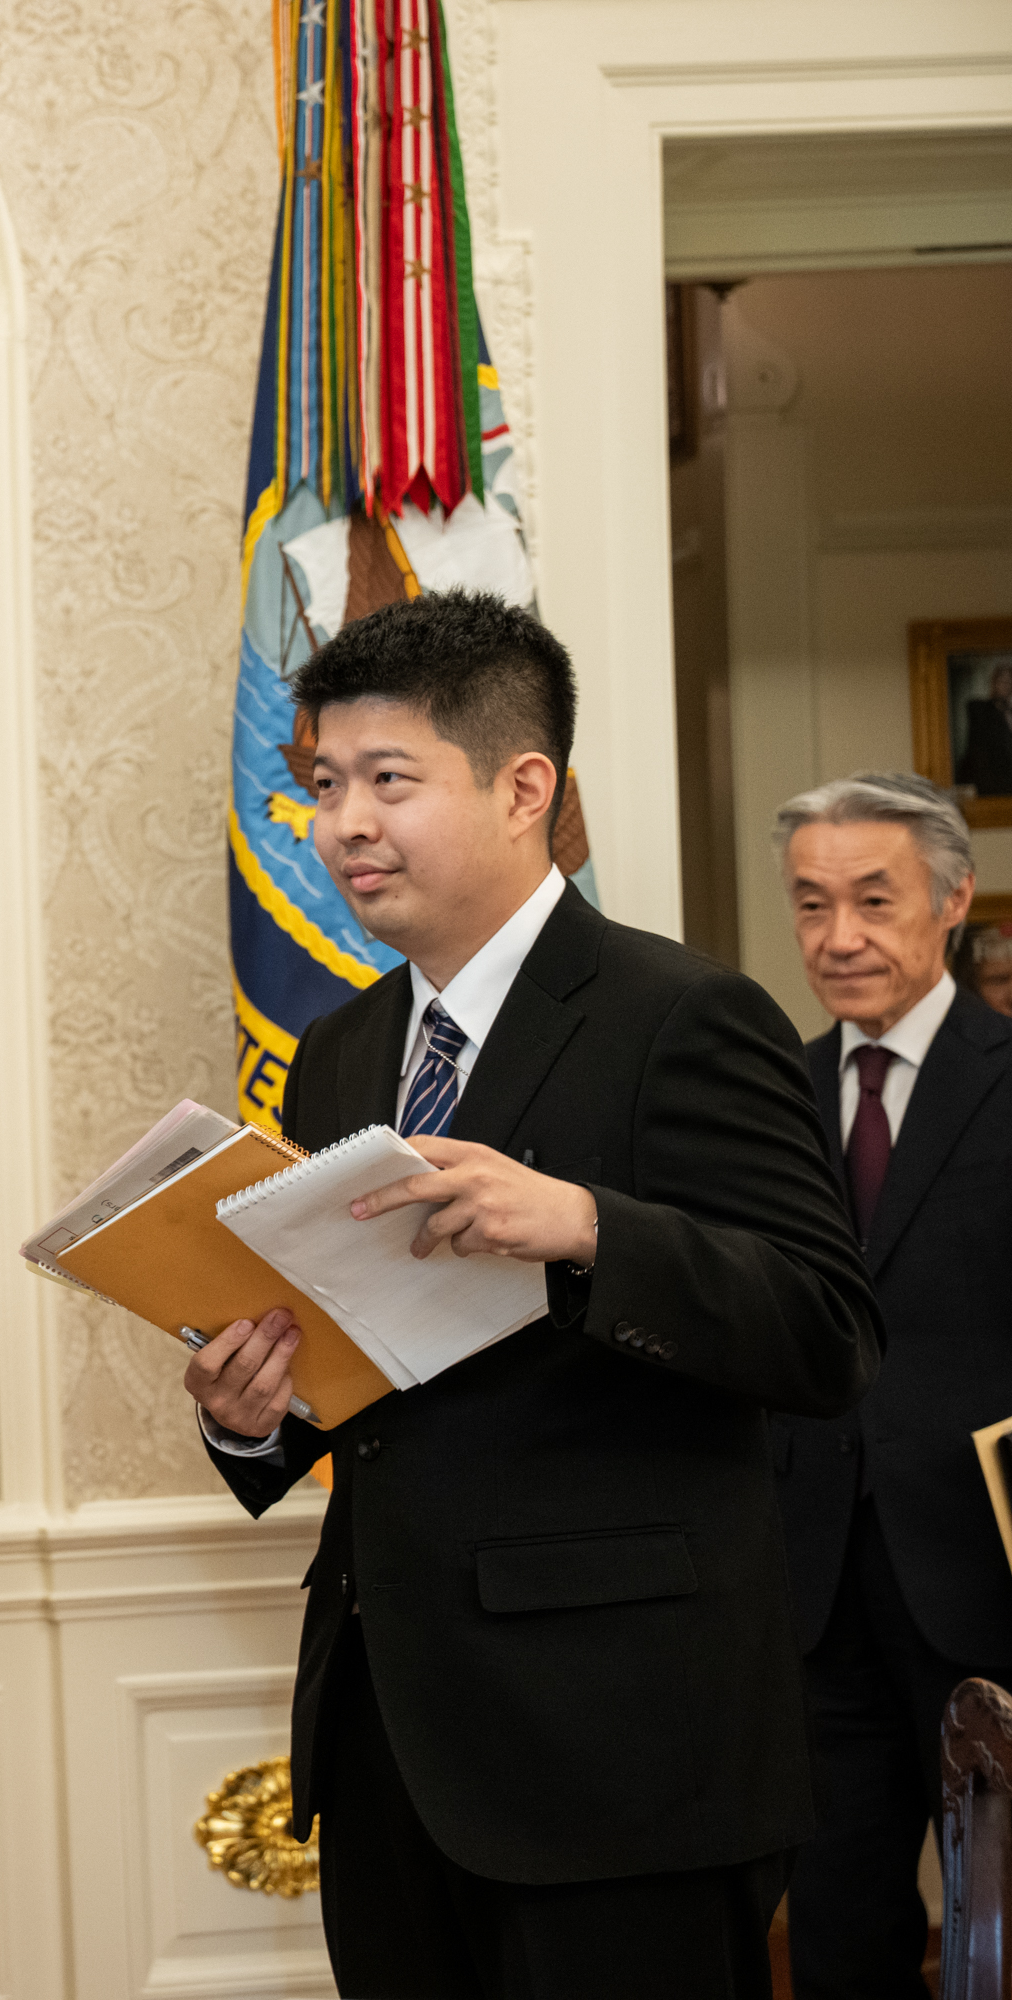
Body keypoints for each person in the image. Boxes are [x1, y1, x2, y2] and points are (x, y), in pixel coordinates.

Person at [182, 592, 877, 1998]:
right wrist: (255, 1413)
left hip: (620, 1755)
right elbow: (368, 1364)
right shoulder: (337, 1052)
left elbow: (824, 1334)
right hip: (388, 1745)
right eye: (323, 786)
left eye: (390, 782)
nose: (343, 826)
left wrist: (584, 1228)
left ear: (523, 789)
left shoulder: (684, 1014)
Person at [772, 773, 1012, 2000]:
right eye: (812, 905)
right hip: (811, 1598)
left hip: (989, 1586)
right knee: (838, 1926)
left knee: (999, 1928)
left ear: (953, 897)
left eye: (873, 899)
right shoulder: (769, 1095)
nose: (840, 937)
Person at [959, 663, 1012, 798]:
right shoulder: (980, 709)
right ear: (994, 682)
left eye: (1010, 681)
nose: (1007, 685)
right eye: (1003, 680)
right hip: (990, 783)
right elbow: (978, 749)